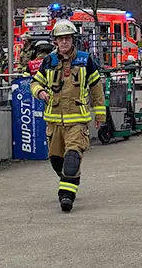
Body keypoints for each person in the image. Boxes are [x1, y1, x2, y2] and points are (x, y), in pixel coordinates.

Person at [31, 20, 106, 213]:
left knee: (72, 159)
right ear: (55, 41)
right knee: (57, 161)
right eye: (60, 39)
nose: (64, 42)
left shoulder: (85, 60)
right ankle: (70, 180)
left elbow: (97, 90)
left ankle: (66, 196)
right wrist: (40, 92)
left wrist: (100, 115)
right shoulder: (48, 62)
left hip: (77, 121)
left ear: (73, 39)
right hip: (54, 121)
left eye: (67, 38)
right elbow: (35, 83)